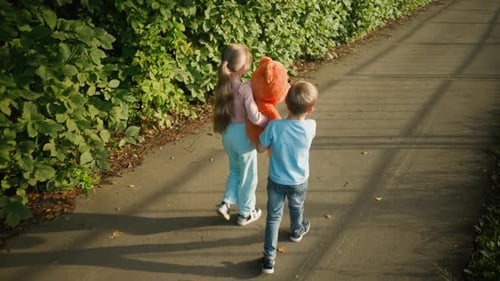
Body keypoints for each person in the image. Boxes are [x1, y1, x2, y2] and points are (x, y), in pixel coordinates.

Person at [256, 80, 318, 274]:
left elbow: (259, 148)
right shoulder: (311, 127)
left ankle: (269, 258)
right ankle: (297, 230)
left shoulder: (275, 127)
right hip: (299, 180)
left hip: (276, 180)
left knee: (273, 217)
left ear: (285, 103)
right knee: (296, 206)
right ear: (310, 110)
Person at [213, 43, 268, 226]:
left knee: (235, 171)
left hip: (227, 134)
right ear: (244, 67)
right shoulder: (244, 88)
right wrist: (269, 120)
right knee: (249, 176)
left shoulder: (223, 84)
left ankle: (226, 203)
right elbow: (254, 116)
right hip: (243, 136)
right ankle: (246, 213)